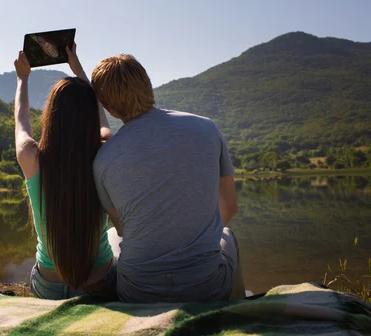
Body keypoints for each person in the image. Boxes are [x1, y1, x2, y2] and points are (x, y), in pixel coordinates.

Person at [90, 54, 245, 303]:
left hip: (137, 290)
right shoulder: (207, 128)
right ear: (148, 85)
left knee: (111, 236)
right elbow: (229, 207)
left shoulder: (103, 159)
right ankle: (236, 315)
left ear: (109, 108)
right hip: (207, 287)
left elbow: (122, 229)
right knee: (228, 235)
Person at [13, 45, 117, 300]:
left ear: (51, 116)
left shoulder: (31, 156)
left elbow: (21, 118)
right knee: (115, 236)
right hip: (100, 282)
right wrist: (78, 68)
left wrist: (22, 78)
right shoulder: (104, 151)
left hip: (49, 287)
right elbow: (101, 119)